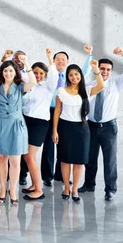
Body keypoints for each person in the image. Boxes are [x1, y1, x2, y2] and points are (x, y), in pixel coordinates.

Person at [79, 47, 123, 201]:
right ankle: (89, 184)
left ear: (111, 71)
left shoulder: (116, 84)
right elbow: (81, 78)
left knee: (110, 159)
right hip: (91, 125)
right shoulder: (90, 84)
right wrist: (90, 60)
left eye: (108, 69)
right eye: (102, 68)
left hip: (109, 127)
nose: (104, 71)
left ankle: (110, 189)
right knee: (90, 158)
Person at [52, 62, 104, 202]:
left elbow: (101, 86)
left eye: (76, 74)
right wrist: (55, 131)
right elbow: (57, 111)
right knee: (65, 160)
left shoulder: (86, 91)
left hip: (81, 129)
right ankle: (66, 188)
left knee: (79, 161)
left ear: (80, 75)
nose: (74, 77)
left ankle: (74, 189)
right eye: (71, 75)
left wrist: (96, 70)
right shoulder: (61, 91)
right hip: (64, 128)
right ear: (67, 77)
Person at [0, 58, 36, 206]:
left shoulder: (20, 86)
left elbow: (33, 81)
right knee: (2, 158)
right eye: (5, 70)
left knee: (15, 161)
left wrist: (27, 63)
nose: (8, 73)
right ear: (2, 72)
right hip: (0, 124)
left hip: (16, 125)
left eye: (10, 70)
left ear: (15, 72)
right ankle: (3, 189)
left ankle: (13, 190)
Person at [42, 48, 92, 186]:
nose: (60, 61)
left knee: (64, 146)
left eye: (63, 59)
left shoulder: (70, 77)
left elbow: (84, 71)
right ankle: (47, 175)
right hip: (49, 110)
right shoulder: (49, 74)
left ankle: (60, 175)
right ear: (54, 61)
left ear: (67, 61)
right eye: (57, 59)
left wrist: (89, 56)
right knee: (49, 143)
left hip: (65, 113)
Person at [21, 51, 59, 201]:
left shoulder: (48, 87)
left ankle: (39, 189)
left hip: (39, 123)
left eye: (40, 73)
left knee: (29, 156)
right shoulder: (30, 86)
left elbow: (54, 75)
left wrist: (50, 59)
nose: (37, 75)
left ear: (45, 74)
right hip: (26, 121)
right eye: (35, 73)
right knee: (27, 156)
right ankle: (33, 184)